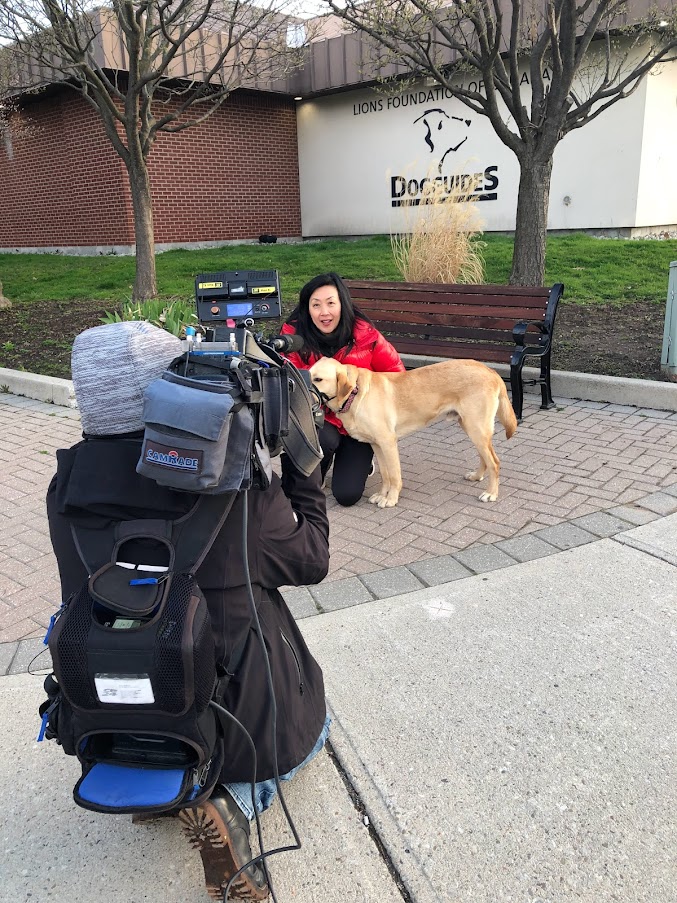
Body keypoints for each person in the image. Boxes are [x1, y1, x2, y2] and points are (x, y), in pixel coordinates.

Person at [46, 320, 331, 902]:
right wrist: (302, 469)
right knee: (315, 725)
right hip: (233, 708)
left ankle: (152, 774)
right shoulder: (233, 488)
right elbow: (311, 561)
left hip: (115, 705)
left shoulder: (65, 489)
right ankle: (229, 801)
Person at [281, 272, 405, 506]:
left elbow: (397, 375)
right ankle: (320, 466)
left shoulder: (366, 336)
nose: (324, 312)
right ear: (307, 309)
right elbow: (288, 382)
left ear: (342, 304)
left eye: (330, 303)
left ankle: (363, 464)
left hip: (360, 425)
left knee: (347, 495)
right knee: (321, 441)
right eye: (315, 305)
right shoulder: (293, 337)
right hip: (321, 420)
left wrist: (377, 410)